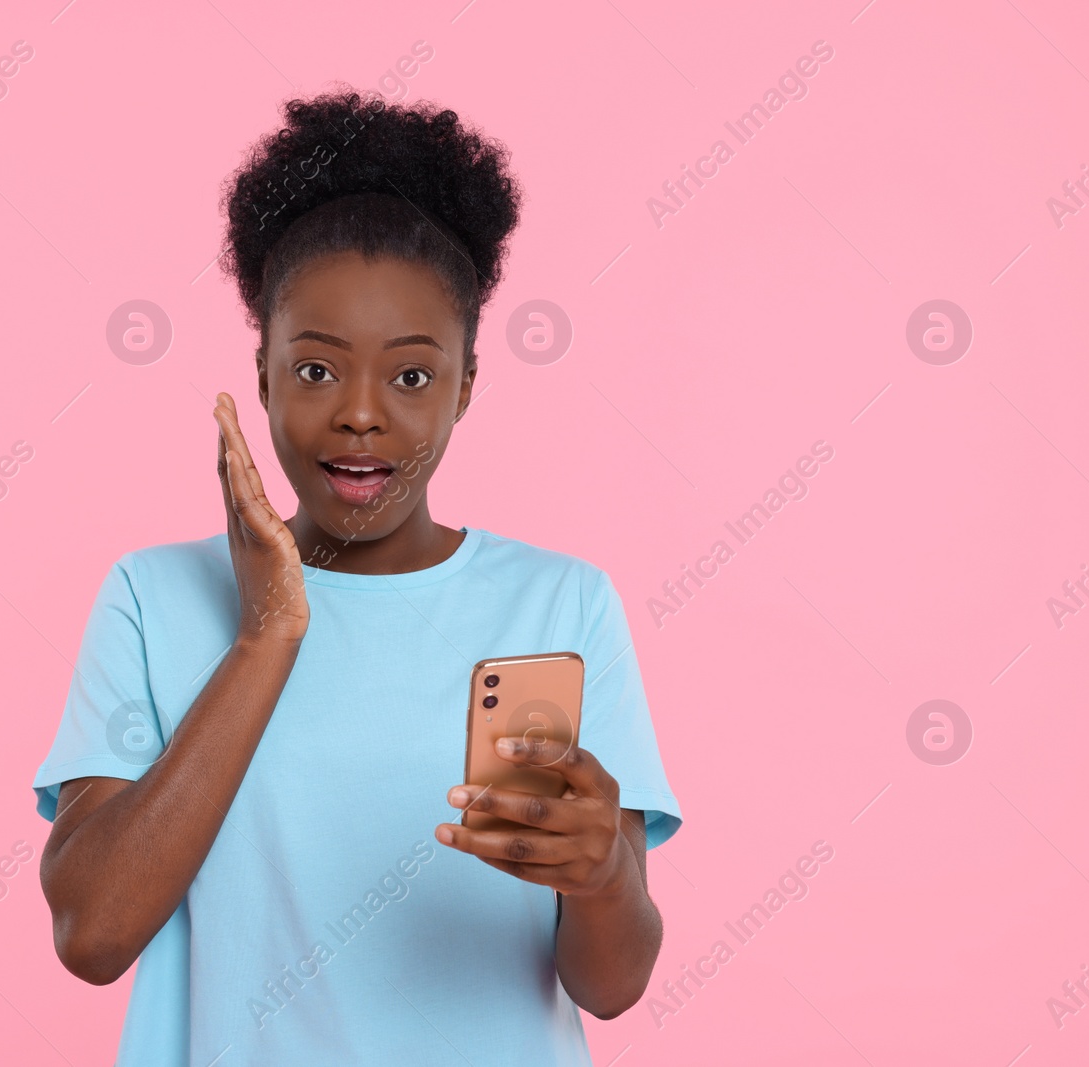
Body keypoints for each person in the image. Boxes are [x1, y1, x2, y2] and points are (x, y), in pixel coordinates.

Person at [33, 87, 682, 1066]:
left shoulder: (560, 604)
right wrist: (266, 634)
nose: (361, 415)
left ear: (466, 385)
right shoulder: (152, 598)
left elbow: (611, 984)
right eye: (317, 370)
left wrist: (600, 880)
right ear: (262, 374)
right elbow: (93, 932)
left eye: (412, 376)